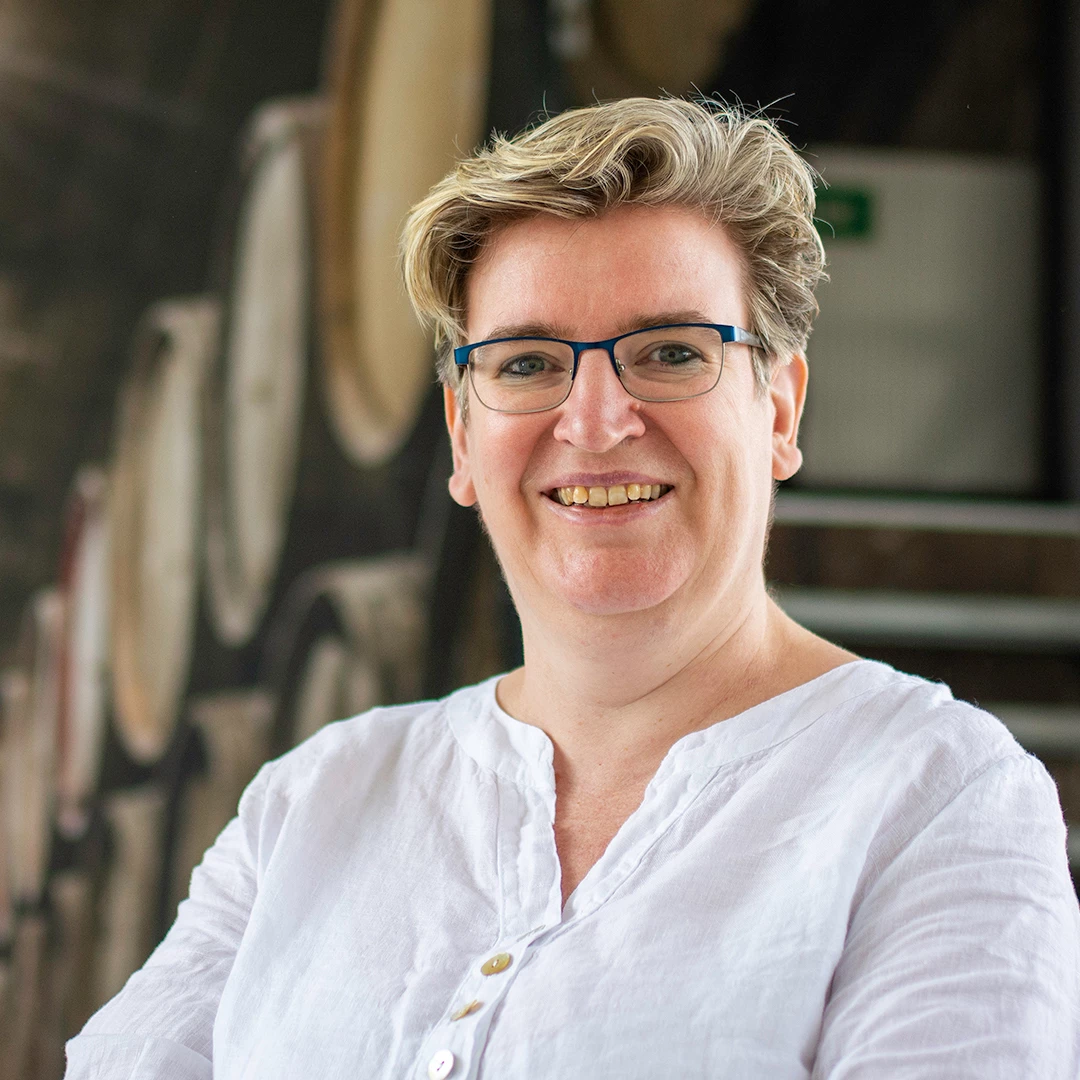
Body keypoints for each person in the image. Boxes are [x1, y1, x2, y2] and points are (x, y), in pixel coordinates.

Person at [66, 97, 1080, 1079]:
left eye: (671, 352)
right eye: (526, 363)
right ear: (463, 438)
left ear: (779, 409)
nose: (595, 423)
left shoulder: (937, 798)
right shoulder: (313, 802)